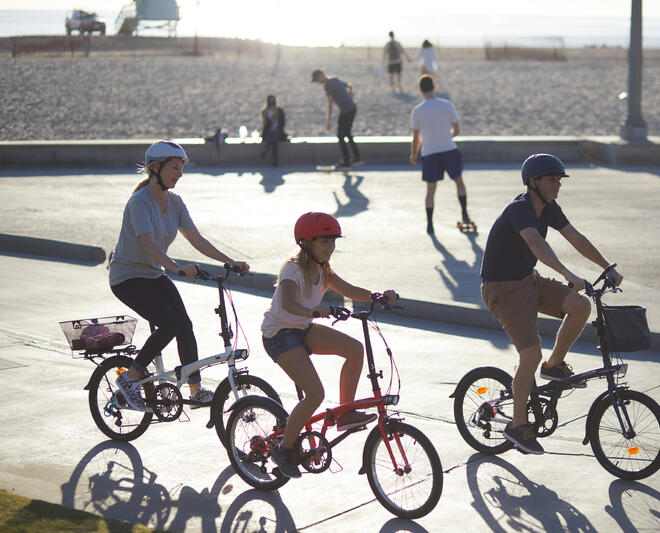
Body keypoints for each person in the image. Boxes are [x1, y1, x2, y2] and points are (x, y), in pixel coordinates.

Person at [479, 153, 623, 454]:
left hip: (527, 280)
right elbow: (537, 244)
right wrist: (568, 273)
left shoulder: (549, 208)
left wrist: (606, 267)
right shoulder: (520, 209)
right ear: (533, 182)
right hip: (502, 289)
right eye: (551, 180)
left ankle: (554, 364)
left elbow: (576, 238)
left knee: (581, 305)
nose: (557, 185)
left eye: (559, 180)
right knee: (529, 354)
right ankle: (517, 425)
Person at [109, 141, 251, 411]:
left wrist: (229, 261)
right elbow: (148, 244)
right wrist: (176, 268)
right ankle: (130, 378)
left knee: (184, 324)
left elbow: (196, 239)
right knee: (170, 323)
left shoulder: (175, 202)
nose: (180, 174)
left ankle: (195, 390)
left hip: (153, 274)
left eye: (181, 168)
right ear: (155, 168)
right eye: (175, 167)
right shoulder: (139, 203)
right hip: (127, 277)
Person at [261, 212, 398, 478]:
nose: (330, 247)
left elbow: (349, 290)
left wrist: (377, 296)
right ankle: (284, 449)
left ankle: (345, 414)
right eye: (324, 242)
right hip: (279, 334)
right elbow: (287, 303)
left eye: (333, 241)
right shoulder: (293, 268)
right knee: (315, 394)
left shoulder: (323, 269)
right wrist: (315, 311)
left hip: (302, 329)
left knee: (354, 349)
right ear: (305, 243)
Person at [409, 74, 470, 234]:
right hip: (449, 150)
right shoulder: (447, 105)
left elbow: (416, 137)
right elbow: (457, 130)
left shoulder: (417, 111)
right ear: (434, 88)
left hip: (429, 153)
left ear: (420, 90)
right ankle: (464, 214)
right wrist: (444, 136)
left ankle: (430, 224)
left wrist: (414, 155)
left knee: (430, 190)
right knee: (459, 182)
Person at [311, 69, 363, 170]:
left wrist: (328, 121)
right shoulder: (334, 79)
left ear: (321, 76)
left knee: (341, 134)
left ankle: (347, 161)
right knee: (347, 133)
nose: (318, 83)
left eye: (317, 80)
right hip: (350, 108)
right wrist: (351, 93)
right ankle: (356, 158)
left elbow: (330, 103)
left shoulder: (327, 85)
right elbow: (349, 85)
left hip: (347, 110)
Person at [260, 94, 287, 167]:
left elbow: (282, 124)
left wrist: (276, 121)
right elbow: (265, 126)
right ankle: (275, 161)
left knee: (274, 136)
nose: (272, 106)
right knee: (273, 138)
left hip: (278, 133)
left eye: (273, 104)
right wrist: (270, 120)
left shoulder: (280, 111)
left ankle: (266, 150)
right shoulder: (265, 112)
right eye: (270, 105)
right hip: (269, 133)